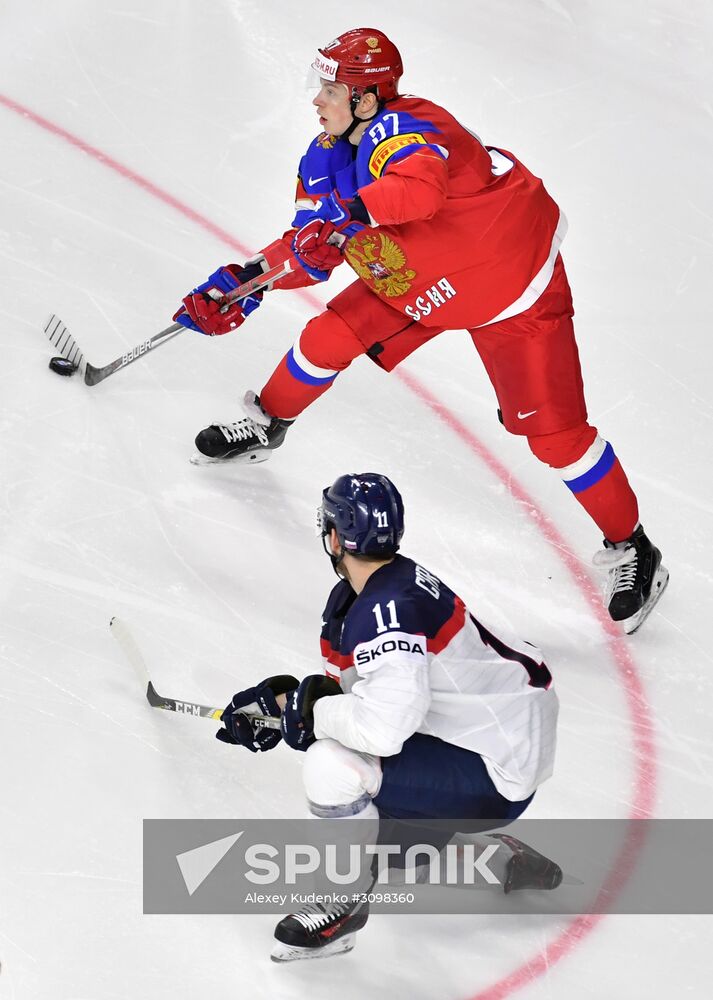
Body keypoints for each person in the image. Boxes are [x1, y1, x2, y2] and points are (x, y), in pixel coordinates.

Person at [174, 27, 668, 634]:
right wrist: (243, 282)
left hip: (507, 279)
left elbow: (419, 191)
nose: (317, 100)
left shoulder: (403, 126)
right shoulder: (322, 158)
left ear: (366, 98)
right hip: (423, 273)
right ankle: (267, 423)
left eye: (331, 89)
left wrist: (351, 214)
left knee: (557, 439)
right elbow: (309, 247)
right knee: (329, 336)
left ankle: (634, 546)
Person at [216, 473, 562, 962]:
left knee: (333, 766)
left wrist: (311, 716)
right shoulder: (378, 590)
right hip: (486, 740)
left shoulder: (386, 609)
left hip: (495, 771)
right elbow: (371, 693)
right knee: (385, 852)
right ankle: (505, 857)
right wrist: (284, 703)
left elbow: (381, 729)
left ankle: (341, 909)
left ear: (335, 537)